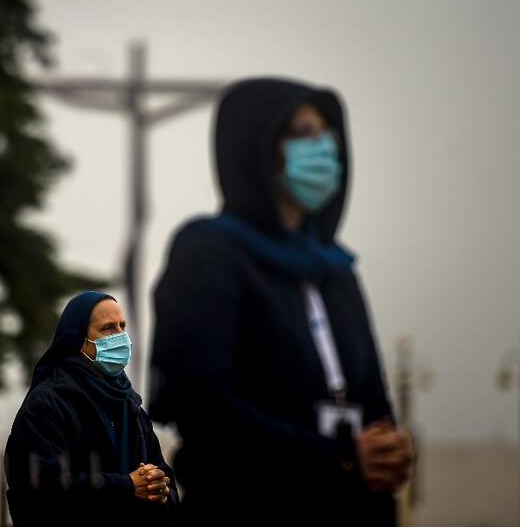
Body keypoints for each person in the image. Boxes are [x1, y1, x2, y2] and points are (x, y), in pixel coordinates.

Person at [148, 77, 414, 526]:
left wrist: (390, 448)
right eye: (304, 133)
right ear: (256, 147)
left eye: (326, 132)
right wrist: (338, 456)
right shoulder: (208, 252)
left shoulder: (336, 269)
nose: (324, 147)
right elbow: (201, 404)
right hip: (248, 505)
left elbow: (374, 400)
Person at [4, 291, 179, 526]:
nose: (120, 336)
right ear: (78, 339)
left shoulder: (131, 406)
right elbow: (41, 489)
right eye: (108, 328)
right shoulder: (46, 406)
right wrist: (126, 486)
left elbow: (165, 478)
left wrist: (159, 488)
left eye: (122, 326)